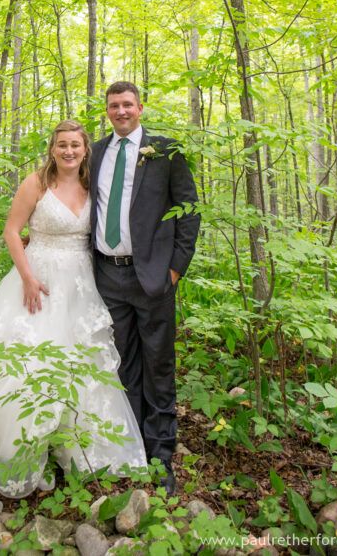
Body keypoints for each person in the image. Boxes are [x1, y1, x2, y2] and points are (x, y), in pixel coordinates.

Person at [0, 119, 147, 496]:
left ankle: (74, 444)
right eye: (62, 144)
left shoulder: (90, 184)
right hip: (38, 280)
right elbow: (12, 231)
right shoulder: (35, 182)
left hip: (80, 282)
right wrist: (29, 277)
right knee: (30, 356)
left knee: (78, 359)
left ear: (85, 150)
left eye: (76, 145)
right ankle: (20, 444)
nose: (69, 151)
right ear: (52, 148)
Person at [90, 82, 201, 496]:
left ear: (140, 108)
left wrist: (175, 270)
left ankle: (161, 454)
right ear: (107, 111)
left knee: (158, 364)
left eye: (127, 105)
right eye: (113, 106)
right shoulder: (96, 152)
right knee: (120, 363)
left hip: (153, 276)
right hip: (106, 275)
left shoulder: (166, 151)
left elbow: (189, 213)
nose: (120, 111)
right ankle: (128, 445)